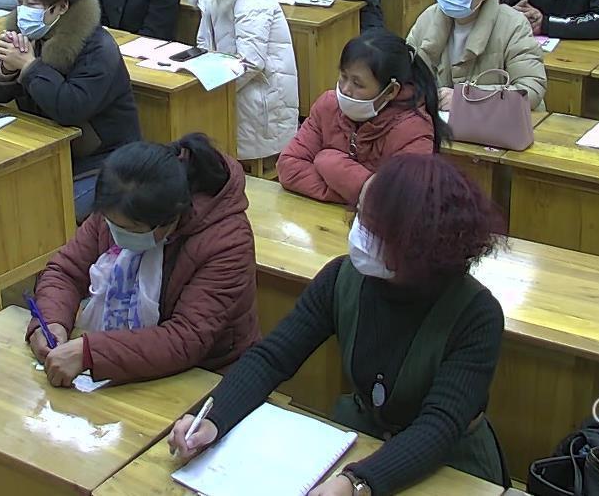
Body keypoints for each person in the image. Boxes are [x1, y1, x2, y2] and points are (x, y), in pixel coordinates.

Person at [169, 153, 509, 491]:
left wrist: (358, 482)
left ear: (417, 245)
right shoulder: (342, 278)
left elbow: (440, 425)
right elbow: (273, 357)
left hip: (449, 465)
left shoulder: (476, 315)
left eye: (372, 227)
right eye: (359, 213)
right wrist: (214, 419)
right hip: (363, 438)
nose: (358, 230)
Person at [27, 135, 259, 386]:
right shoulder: (116, 205)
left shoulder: (227, 241)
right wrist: (51, 321)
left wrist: (90, 353)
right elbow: (65, 271)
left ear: (170, 220)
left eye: (130, 230)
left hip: (206, 375)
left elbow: (186, 338)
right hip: (123, 363)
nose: (117, 234)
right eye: (111, 223)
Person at [0, 0, 141, 220]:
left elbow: (71, 108)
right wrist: (7, 68)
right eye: (19, 2)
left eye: (32, 4)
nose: (22, 11)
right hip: (45, 148)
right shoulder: (27, 34)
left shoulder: (97, 48)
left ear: (61, 7)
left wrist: (29, 67)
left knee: (43, 212)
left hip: (104, 160)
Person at [278, 31, 441, 205]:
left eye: (357, 84)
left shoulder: (413, 130)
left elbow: (400, 201)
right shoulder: (328, 106)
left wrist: (330, 163)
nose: (345, 89)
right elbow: (289, 167)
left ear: (391, 91)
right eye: (343, 76)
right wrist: (360, 193)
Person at [186, 0, 299, 162]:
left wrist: (214, 91)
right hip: (232, 84)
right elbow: (204, 43)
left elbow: (252, 62)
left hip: (260, 95)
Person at [407, 0, 548, 110]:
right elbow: (406, 73)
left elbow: (531, 89)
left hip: (495, 119)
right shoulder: (429, 17)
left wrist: (468, 98)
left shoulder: (512, 24)